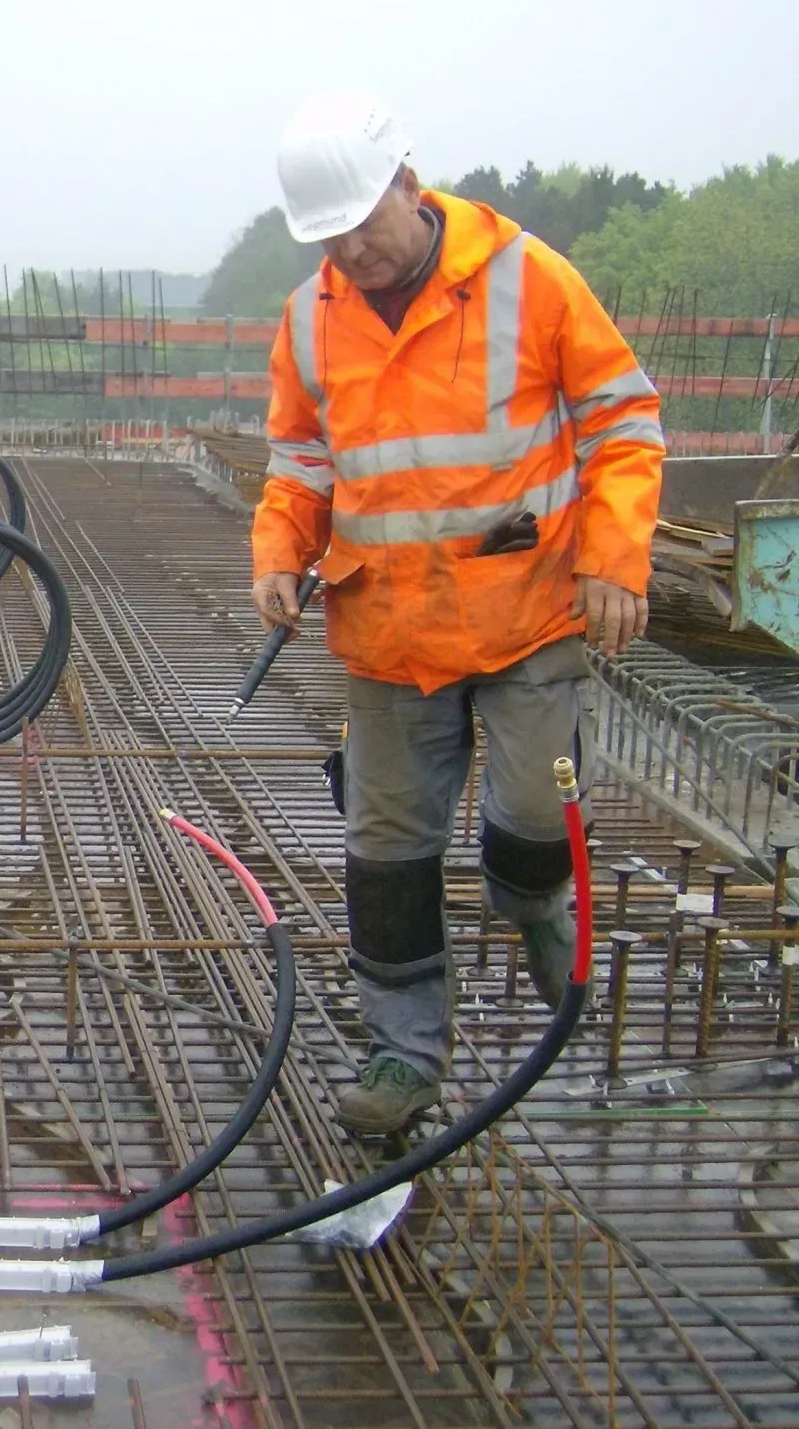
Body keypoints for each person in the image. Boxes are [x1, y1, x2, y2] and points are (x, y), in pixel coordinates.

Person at [251, 92, 664, 1134]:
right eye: (330, 238)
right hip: (388, 632)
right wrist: (279, 550)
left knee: (532, 815)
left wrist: (616, 556)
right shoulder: (310, 319)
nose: (354, 250)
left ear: (407, 180)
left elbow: (622, 419)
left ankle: (531, 900)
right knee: (386, 855)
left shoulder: (528, 278)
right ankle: (404, 1054)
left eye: (365, 224)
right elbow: (300, 458)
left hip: (527, 615)